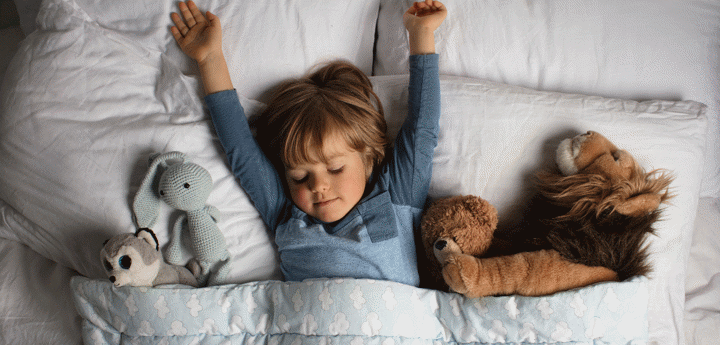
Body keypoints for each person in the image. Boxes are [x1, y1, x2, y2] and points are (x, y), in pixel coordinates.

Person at [170, 0, 446, 286]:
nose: (317, 186)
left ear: (368, 160)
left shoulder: (397, 198)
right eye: (300, 176)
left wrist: (421, 33)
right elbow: (242, 150)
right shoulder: (286, 215)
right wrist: (210, 59)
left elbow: (422, 130)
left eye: (336, 168)